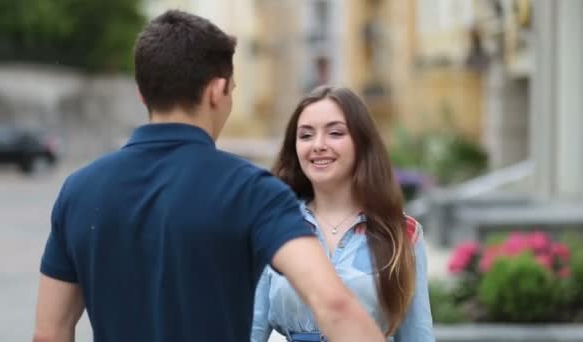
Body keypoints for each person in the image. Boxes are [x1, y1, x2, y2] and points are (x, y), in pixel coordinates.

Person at [32, 10, 386, 342]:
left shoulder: (79, 190)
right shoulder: (251, 191)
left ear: (143, 93)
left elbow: (50, 333)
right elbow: (334, 306)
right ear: (217, 91)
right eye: (231, 91)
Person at [251, 86, 435, 342]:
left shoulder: (402, 232)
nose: (318, 145)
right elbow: (251, 330)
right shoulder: (272, 226)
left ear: (362, 143)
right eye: (305, 135)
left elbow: (417, 335)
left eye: (335, 133)